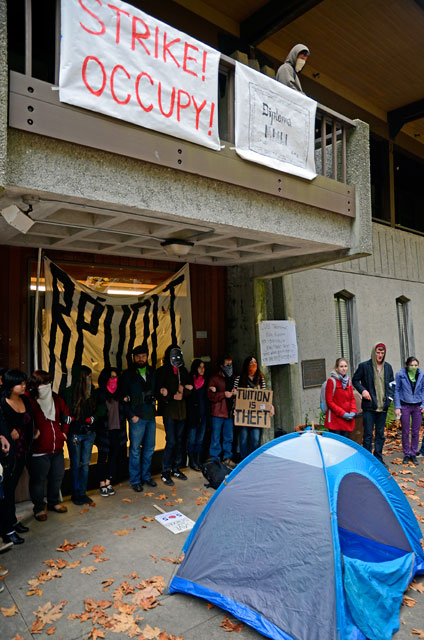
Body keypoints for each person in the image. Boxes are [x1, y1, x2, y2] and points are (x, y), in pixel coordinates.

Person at [26, 370, 70, 521]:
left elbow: (67, 415)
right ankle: (38, 508)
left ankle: (53, 502)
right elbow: (21, 421)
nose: (47, 386)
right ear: (35, 384)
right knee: (38, 480)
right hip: (38, 451)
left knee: (57, 476)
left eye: (48, 383)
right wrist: (32, 433)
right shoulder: (28, 400)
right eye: (43, 383)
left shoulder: (56, 398)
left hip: (57, 447)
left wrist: (64, 432)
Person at [0, 370, 34, 545]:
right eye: (19, 383)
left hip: (23, 450)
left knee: (11, 489)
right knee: (5, 490)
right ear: (9, 385)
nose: (23, 386)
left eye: (24, 382)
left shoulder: (25, 399)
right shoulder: (3, 403)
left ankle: (12, 521)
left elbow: (29, 420)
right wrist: (7, 431)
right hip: (8, 453)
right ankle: (7, 530)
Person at [63, 365, 104, 505]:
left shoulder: (92, 393)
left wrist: (94, 418)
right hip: (75, 434)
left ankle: (83, 493)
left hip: (89, 433)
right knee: (75, 464)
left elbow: (102, 408)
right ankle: (75, 494)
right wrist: (66, 419)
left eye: (90, 376)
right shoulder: (69, 393)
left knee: (85, 464)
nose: (89, 379)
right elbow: (61, 411)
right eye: (86, 376)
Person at [121, 344, 157, 492]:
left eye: (143, 356)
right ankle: (135, 480)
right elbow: (122, 398)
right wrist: (131, 415)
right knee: (135, 450)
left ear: (147, 356)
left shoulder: (152, 372)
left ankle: (146, 476)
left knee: (149, 448)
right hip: (137, 418)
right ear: (134, 358)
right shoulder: (127, 375)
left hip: (150, 415)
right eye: (138, 356)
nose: (141, 359)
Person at [352, 343, 394, 466]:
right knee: (368, 434)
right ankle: (367, 461)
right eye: (378, 352)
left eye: (382, 353)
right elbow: (355, 380)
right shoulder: (364, 366)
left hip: (383, 407)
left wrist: (389, 399)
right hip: (369, 407)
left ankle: (378, 459)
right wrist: (363, 390)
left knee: (380, 435)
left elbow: (392, 385)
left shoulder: (388, 367)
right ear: (373, 352)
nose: (380, 355)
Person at [156, 345, 192, 487]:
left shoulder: (183, 371)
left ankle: (176, 468)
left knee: (179, 440)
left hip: (182, 412)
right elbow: (159, 392)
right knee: (171, 441)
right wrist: (171, 395)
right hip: (169, 412)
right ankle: (165, 471)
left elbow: (190, 388)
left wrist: (184, 391)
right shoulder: (162, 371)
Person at [95, 367, 127, 496]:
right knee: (102, 457)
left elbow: (123, 412)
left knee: (113, 457)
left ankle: (109, 481)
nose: (114, 380)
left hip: (117, 430)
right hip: (104, 431)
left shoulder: (119, 394)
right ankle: (101, 483)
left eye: (115, 377)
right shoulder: (99, 394)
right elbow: (97, 413)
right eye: (111, 377)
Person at [234, 356, 273, 459]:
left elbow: (265, 395)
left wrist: (270, 406)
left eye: (255, 362)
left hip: (256, 415)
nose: (253, 365)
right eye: (251, 363)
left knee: (255, 438)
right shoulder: (239, 378)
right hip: (243, 414)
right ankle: (244, 460)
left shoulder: (260, 378)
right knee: (243, 439)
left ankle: (252, 460)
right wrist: (235, 408)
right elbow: (235, 394)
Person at [394, 357, 424, 465]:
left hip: (417, 406)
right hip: (405, 405)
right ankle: (406, 453)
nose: (414, 367)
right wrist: (397, 406)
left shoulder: (421, 374)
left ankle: (413, 453)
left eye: (416, 365)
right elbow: (396, 390)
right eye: (411, 365)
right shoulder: (400, 374)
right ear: (407, 365)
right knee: (405, 431)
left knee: (416, 432)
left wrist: (423, 404)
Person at [208, 355, 236, 466]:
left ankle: (227, 458)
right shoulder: (214, 378)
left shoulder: (234, 378)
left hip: (229, 412)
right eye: (227, 364)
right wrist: (223, 394)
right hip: (218, 412)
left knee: (228, 437)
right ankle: (214, 459)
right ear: (221, 365)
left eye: (231, 363)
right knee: (215, 437)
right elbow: (210, 396)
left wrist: (236, 392)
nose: (229, 366)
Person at [323, 358, 357, 436]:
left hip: (347, 420)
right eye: (341, 366)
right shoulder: (331, 381)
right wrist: (342, 413)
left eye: (345, 366)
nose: (344, 368)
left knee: (344, 445)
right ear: (336, 368)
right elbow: (329, 402)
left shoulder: (348, 381)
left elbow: (352, 398)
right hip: (335, 420)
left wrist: (353, 411)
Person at [186, 359, 208, 471]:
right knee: (192, 439)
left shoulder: (206, 381)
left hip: (203, 415)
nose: (202, 369)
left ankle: (198, 461)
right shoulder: (190, 380)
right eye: (199, 367)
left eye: (203, 367)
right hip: (193, 416)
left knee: (200, 440)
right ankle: (192, 461)